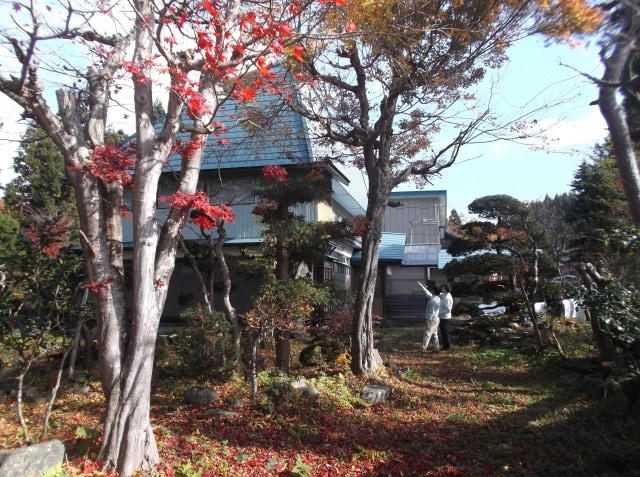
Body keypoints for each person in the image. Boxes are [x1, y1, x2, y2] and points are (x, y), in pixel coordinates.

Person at [417, 281, 440, 353]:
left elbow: (431, 311)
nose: (431, 291)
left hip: (432, 319)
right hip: (436, 318)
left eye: (432, 290)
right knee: (434, 334)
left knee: (427, 334)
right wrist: (422, 287)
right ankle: (436, 348)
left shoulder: (433, 300)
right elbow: (428, 294)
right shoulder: (436, 298)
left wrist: (428, 320)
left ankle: (423, 349)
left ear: (433, 291)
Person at [438, 283, 453, 351]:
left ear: (446, 289)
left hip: (445, 317)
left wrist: (438, 313)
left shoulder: (448, 298)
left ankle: (448, 346)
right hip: (442, 317)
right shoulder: (444, 295)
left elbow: (447, 309)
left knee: (445, 332)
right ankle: (445, 346)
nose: (442, 288)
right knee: (443, 332)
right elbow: (438, 294)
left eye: (443, 288)